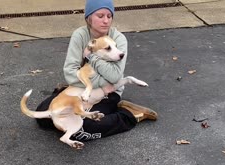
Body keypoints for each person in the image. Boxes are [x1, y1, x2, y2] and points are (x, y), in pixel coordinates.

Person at [35, 0, 158, 141]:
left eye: (109, 16)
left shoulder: (119, 39)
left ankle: (129, 114)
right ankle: (106, 109)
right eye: (100, 16)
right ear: (89, 18)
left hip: (109, 92)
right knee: (43, 115)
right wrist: (98, 82)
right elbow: (70, 72)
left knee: (82, 128)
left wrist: (91, 57)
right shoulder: (80, 35)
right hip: (81, 89)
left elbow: (115, 76)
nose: (106, 21)